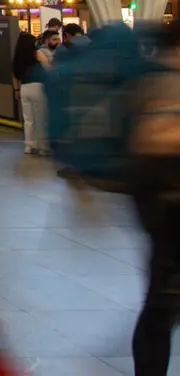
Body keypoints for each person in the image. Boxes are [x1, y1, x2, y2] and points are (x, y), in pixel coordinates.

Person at [129, 22, 179, 376]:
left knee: (162, 300)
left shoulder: (153, 77)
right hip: (167, 203)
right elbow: (150, 137)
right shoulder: (165, 81)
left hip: (161, 201)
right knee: (162, 303)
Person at [12, 32, 50, 155]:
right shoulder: (37, 54)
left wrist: (16, 90)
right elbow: (48, 68)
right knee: (40, 118)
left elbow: (14, 75)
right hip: (38, 87)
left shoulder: (17, 58)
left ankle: (29, 146)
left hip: (24, 88)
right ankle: (43, 147)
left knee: (28, 119)